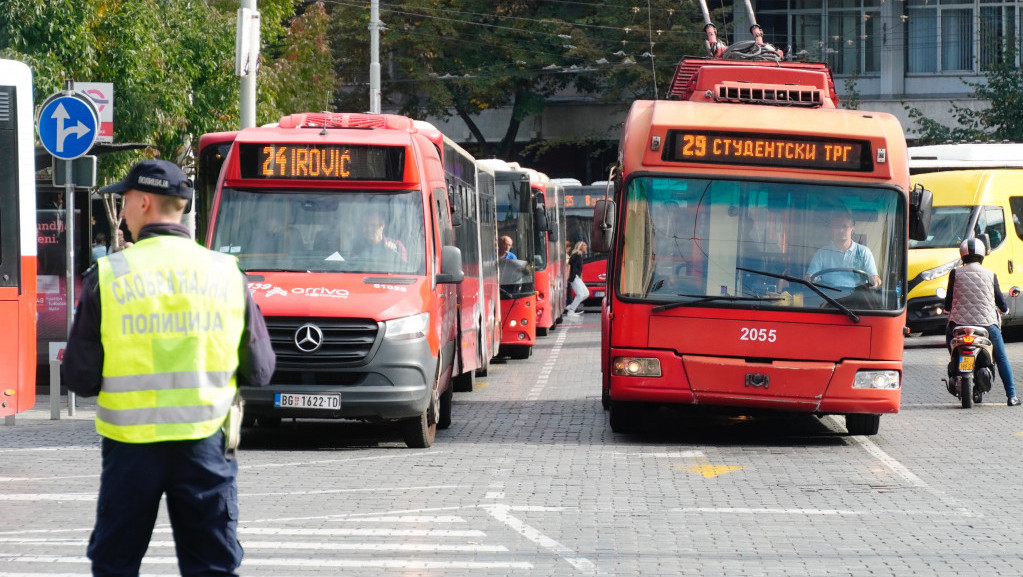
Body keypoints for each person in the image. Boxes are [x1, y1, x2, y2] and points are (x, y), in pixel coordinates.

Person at [62, 159, 277, 576]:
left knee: (115, 565)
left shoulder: (109, 276)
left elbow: (80, 378)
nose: (121, 212)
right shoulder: (226, 274)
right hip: (205, 445)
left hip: (130, 450)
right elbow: (261, 370)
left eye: (123, 201)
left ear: (144, 202)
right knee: (211, 566)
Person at [944, 237, 1020, 406]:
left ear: (962, 255)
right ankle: (1012, 395)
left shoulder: (954, 273)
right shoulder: (990, 275)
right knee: (1001, 357)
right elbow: (1000, 301)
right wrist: (1005, 310)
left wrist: (947, 309)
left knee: (950, 341)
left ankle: (954, 367)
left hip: (958, 325)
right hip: (987, 325)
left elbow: (948, 302)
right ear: (982, 255)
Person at [806, 212, 880, 289]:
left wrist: (875, 280)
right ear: (831, 229)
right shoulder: (821, 253)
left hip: (856, 296)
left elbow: (874, 278)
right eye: (836, 227)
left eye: (845, 226)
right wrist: (810, 278)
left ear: (852, 229)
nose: (841, 230)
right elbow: (810, 277)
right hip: (827, 297)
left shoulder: (864, 252)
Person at [565, 241, 590, 316]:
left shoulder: (580, 255)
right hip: (573, 276)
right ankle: (571, 311)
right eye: (584, 245)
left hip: (578, 277)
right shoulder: (575, 255)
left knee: (586, 293)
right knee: (580, 294)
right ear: (580, 246)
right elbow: (569, 265)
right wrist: (568, 276)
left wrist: (581, 278)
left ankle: (571, 306)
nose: (586, 247)